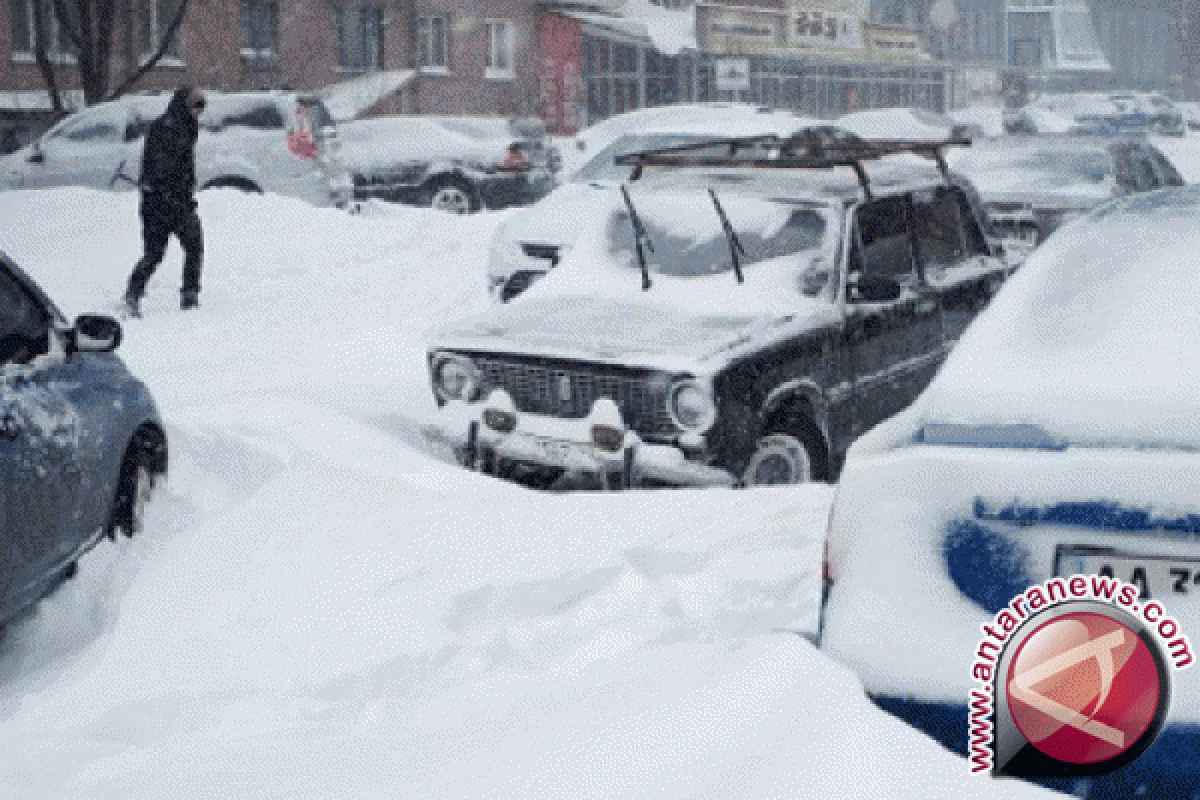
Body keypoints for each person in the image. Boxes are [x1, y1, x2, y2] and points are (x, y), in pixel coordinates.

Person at [122, 86, 206, 317]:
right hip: (161, 201)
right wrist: (173, 193)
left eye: (202, 106)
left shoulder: (185, 126)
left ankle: (186, 295)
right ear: (184, 105)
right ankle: (134, 295)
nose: (199, 111)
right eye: (196, 106)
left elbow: (183, 166)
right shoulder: (168, 128)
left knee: (189, 246)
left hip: (172, 200)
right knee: (158, 252)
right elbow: (160, 167)